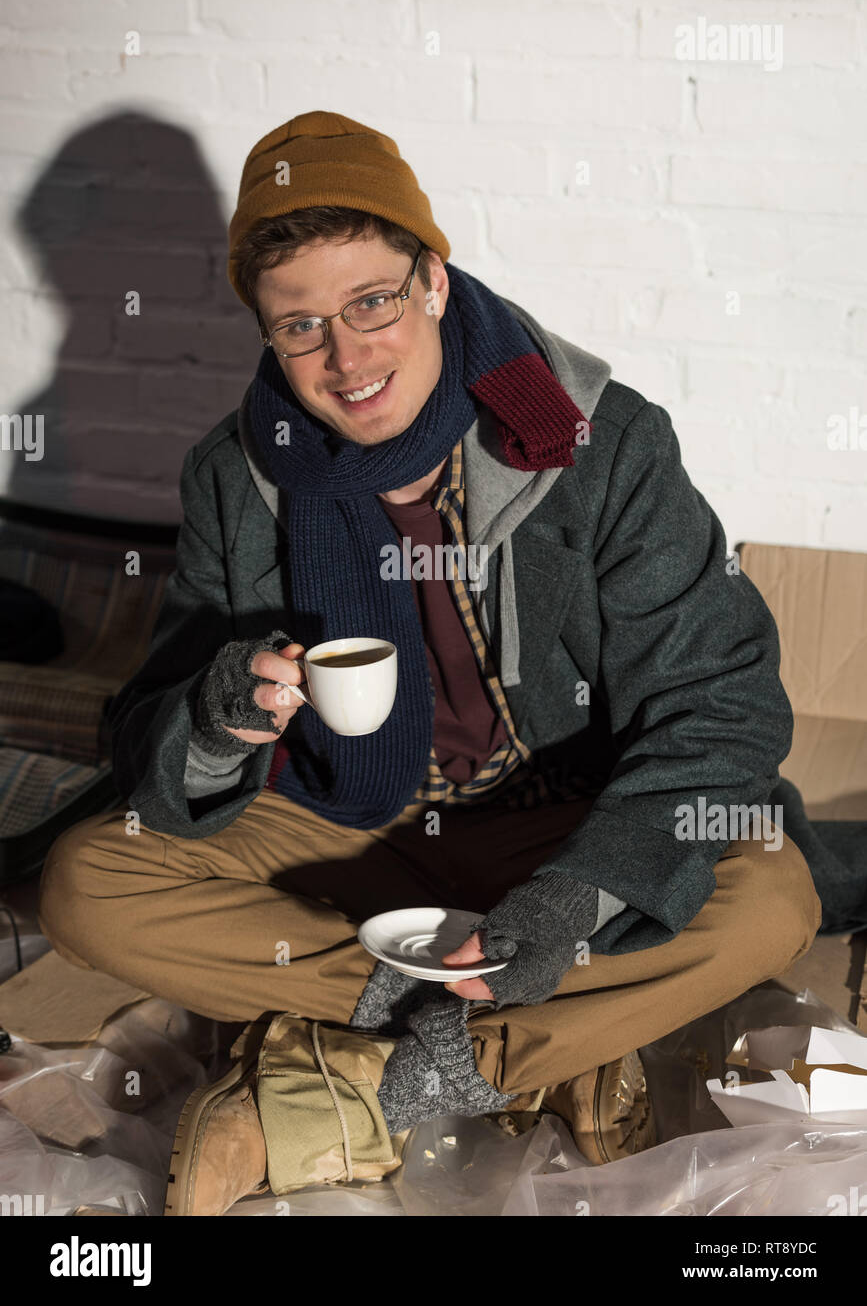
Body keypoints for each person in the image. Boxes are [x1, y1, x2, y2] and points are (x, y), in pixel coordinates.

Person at [38, 111, 822, 1216]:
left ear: (435, 283)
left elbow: (724, 705)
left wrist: (576, 900)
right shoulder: (236, 472)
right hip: (349, 826)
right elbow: (150, 726)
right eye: (300, 326)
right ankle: (554, 1041)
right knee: (87, 881)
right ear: (265, 334)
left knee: (770, 892)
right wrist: (214, 720)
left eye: (373, 303)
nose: (347, 359)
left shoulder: (598, 442)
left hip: (562, 816)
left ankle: (383, 1073)